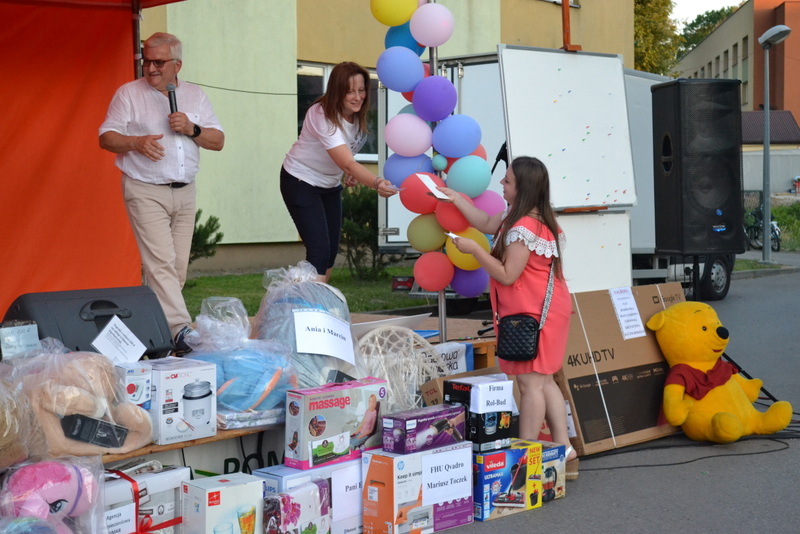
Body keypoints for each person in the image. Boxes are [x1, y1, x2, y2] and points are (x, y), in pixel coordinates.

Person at [438, 156, 578, 470]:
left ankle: (525, 456)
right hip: (541, 311)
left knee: (530, 385)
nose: (501, 183)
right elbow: (486, 223)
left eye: (507, 180)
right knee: (545, 381)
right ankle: (565, 450)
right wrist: (458, 198)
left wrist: (476, 251)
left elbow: (506, 274)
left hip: (534, 315)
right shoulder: (527, 218)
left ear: (523, 188)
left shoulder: (524, 226)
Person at [99, 32, 224, 354]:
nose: (151, 68)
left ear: (177, 65)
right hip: (144, 188)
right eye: (147, 60)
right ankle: (183, 333)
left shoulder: (195, 96)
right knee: (161, 265)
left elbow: (218, 141)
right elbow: (106, 138)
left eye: (159, 62)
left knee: (175, 270)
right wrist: (136, 142)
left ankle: (146, 330)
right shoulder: (128, 94)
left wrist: (192, 129)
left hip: (185, 192)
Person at [281, 62, 397, 283]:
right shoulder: (321, 114)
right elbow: (347, 161)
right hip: (300, 180)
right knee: (319, 251)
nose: (357, 97)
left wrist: (348, 171)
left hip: (330, 185)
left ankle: (312, 303)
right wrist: (376, 181)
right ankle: (312, 310)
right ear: (337, 91)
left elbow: (346, 156)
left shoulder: (357, 117)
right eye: (349, 91)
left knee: (330, 253)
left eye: (361, 90)